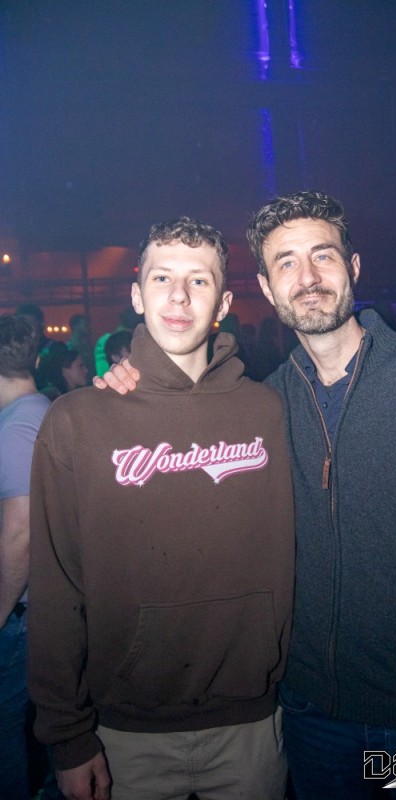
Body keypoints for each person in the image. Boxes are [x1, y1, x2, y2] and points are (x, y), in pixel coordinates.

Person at [99, 192, 396, 799]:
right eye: (286, 262)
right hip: (310, 719)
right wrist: (126, 388)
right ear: (266, 288)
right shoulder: (266, 404)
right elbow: (187, 421)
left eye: (322, 256)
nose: (307, 278)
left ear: (353, 267)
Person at [28, 216, 294, 800]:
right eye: (161, 277)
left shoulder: (270, 412)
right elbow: (55, 586)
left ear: (224, 303)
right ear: (136, 294)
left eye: (199, 280)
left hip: (250, 725)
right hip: (122, 734)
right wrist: (66, 736)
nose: (178, 295)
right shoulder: (77, 421)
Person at [0, 315, 50, 800]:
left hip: (19, 612)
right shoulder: (41, 408)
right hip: (34, 607)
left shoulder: (17, 426)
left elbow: (20, 533)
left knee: (4, 728)